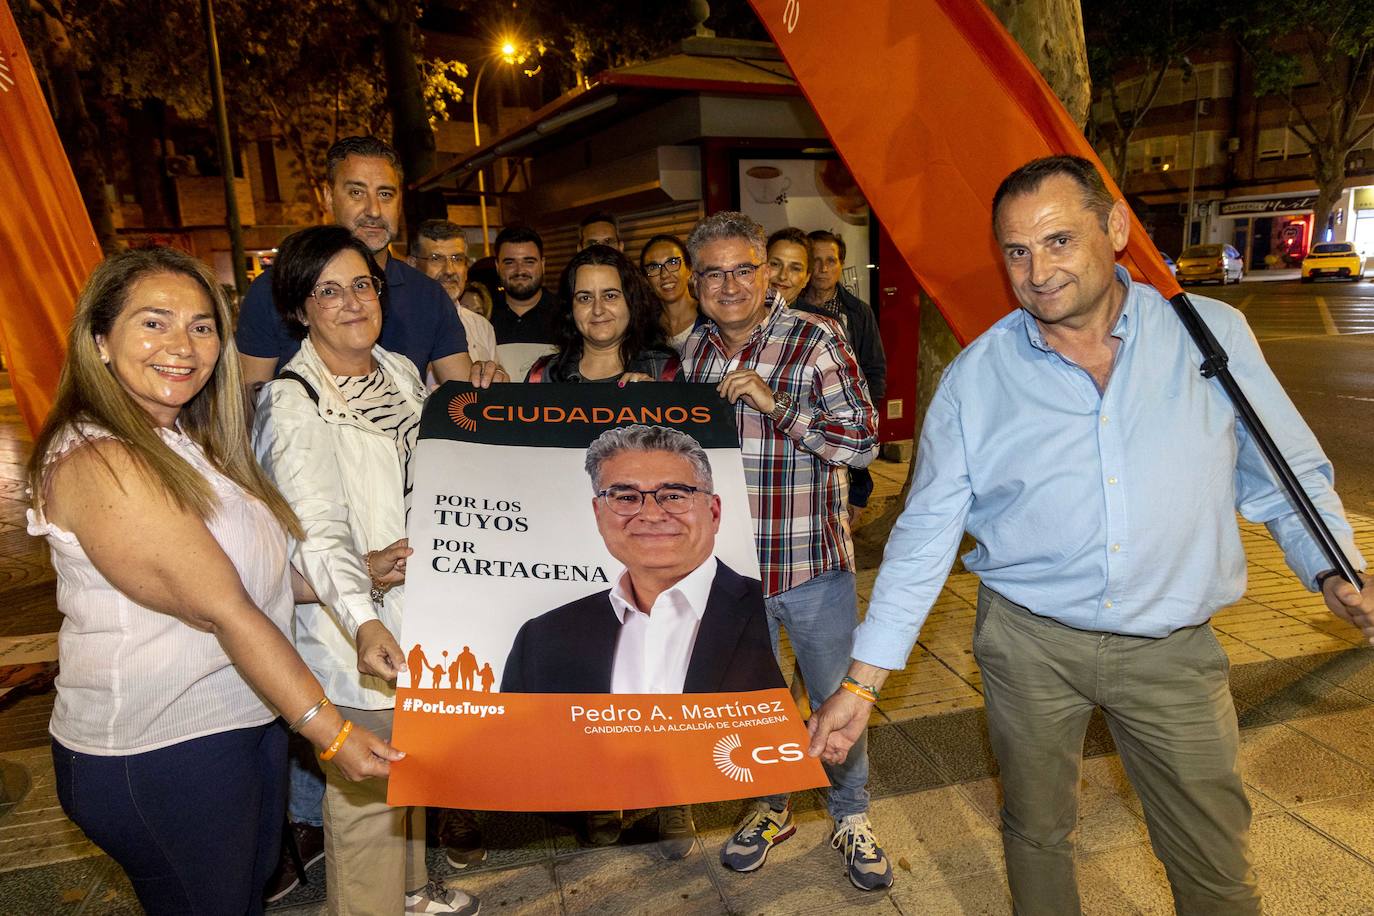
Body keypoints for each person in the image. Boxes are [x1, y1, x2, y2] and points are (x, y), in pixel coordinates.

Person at [807, 154, 1374, 916]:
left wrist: (1333, 569)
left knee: (1213, 858)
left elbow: (1286, 472)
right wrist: (861, 682)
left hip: (1172, 650)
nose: (1037, 271)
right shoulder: (978, 378)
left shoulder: (1211, 337)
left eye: (1058, 241)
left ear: (1113, 229)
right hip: (1029, 645)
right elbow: (925, 535)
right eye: (1016, 250)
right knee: (1036, 833)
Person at [27, 247, 399, 916]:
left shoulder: (181, 439)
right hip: (159, 745)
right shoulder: (99, 456)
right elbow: (226, 607)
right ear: (100, 341)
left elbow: (253, 574)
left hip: (241, 720)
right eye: (154, 322)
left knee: (243, 887)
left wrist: (360, 582)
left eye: (202, 326)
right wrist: (332, 733)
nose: (183, 345)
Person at [251, 226, 480, 916]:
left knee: (403, 780)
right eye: (329, 291)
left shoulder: (398, 371)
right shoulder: (293, 404)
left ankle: (411, 896)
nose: (352, 302)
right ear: (299, 309)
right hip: (350, 635)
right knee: (365, 810)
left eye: (362, 285)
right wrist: (365, 612)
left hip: (415, 618)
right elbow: (316, 534)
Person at [679, 211, 887, 891]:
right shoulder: (693, 353)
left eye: (743, 268)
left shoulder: (815, 338)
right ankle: (771, 808)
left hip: (812, 568)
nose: (730, 284)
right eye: (713, 272)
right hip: (733, 576)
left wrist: (779, 407)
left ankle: (852, 816)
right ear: (696, 282)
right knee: (756, 704)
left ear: (767, 271)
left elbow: (862, 444)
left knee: (836, 701)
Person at [502, 425, 783, 859]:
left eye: (674, 494)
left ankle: (675, 801)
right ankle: (601, 802)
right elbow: (522, 744)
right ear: (599, 514)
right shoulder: (543, 635)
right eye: (626, 496)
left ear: (714, 511)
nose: (650, 514)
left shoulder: (765, 609)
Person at [235, 136, 491, 391]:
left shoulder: (429, 296)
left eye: (385, 193)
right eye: (356, 192)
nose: (374, 210)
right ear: (328, 196)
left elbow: (466, 397)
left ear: (399, 201)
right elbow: (251, 406)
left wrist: (487, 381)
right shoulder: (274, 289)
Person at [794, 229, 888, 519]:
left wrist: (862, 409)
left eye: (830, 260)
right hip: (800, 417)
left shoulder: (858, 313)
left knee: (846, 503)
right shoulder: (789, 309)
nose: (822, 269)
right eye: (816, 260)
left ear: (840, 264)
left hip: (845, 418)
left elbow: (874, 368)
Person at [526, 245, 680, 383]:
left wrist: (658, 400)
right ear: (570, 309)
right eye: (585, 298)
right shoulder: (542, 376)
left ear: (631, 302)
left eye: (610, 296)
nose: (598, 310)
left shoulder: (666, 372)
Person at [408, 219, 499, 364]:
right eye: (436, 259)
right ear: (413, 265)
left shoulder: (481, 327)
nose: (449, 270)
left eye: (457, 259)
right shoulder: (397, 322)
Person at [490, 224, 560, 380]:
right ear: (497, 266)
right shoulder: (483, 318)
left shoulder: (566, 316)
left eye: (529, 262)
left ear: (543, 264)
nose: (520, 270)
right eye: (509, 262)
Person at [641, 234, 699, 354]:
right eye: (653, 267)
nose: (664, 275)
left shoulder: (711, 318)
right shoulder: (644, 330)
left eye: (672, 262)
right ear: (646, 280)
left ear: (689, 269)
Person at [765, 227, 811, 306]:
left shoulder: (815, 318)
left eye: (795, 269)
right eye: (775, 264)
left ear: (806, 279)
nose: (782, 276)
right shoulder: (738, 312)